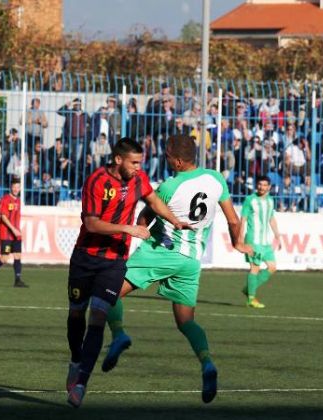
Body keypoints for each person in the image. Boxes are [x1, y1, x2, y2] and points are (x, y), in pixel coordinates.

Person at [99, 135, 253, 405]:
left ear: (179, 161)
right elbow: (233, 219)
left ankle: (119, 333)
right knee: (186, 322)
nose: (166, 159)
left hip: (162, 252)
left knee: (107, 290)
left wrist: (137, 228)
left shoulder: (170, 186)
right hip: (192, 260)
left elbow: (144, 219)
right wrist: (238, 243)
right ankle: (207, 363)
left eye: (168, 156)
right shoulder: (217, 179)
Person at [65, 138, 190, 408]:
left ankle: (81, 384)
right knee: (77, 313)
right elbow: (92, 223)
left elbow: (155, 202)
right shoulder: (97, 181)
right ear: (118, 159)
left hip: (114, 262)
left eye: (140, 163)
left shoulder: (139, 178)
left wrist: (175, 221)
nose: (138, 167)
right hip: (86, 257)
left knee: (98, 317)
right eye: (134, 162)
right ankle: (75, 360)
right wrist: (128, 229)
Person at [238, 175, 282, 309]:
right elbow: (243, 220)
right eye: (259, 184)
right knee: (255, 269)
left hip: (265, 242)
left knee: (272, 267)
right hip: (253, 240)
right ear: (256, 185)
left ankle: (249, 288)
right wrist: (240, 239)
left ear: (269, 187)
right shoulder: (250, 200)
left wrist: (277, 236)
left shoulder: (270, 200)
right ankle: (251, 299)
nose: (261, 187)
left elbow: (271, 218)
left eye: (264, 185)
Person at [0, 178, 27, 288]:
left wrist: (17, 230)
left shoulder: (18, 201)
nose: (16, 189)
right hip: (6, 234)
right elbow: (3, 216)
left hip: (16, 234)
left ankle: (18, 280)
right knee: (4, 258)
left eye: (18, 187)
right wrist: (13, 229)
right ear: (11, 187)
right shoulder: (5, 199)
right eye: (14, 187)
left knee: (18, 255)